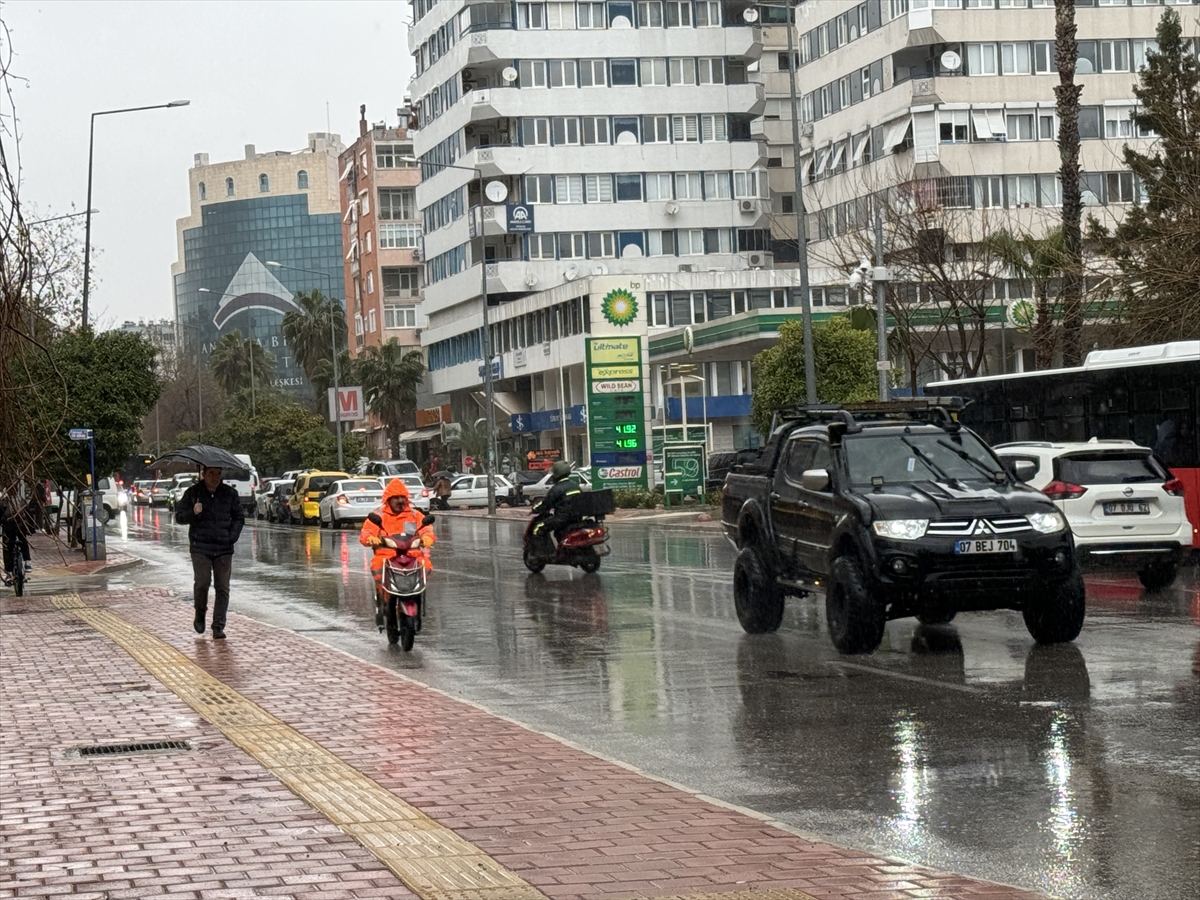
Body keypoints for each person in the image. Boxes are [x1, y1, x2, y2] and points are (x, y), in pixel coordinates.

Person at [175, 466, 245, 639]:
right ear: (203, 474)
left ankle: (218, 626)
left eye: (218, 474)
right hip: (201, 547)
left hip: (223, 548)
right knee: (202, 583)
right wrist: (193, 512)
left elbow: (239, 517)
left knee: (223, 588)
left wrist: (231, 536)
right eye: (211, 474)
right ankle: (200, 613)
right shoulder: (193, 493)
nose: (215, 477)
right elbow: (179, 516)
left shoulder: (229, 493)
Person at [360, 479, 435, 627]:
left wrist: (427, 537)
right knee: (377, 567)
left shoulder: (414, 514)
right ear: (388, 499)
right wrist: (371, 539)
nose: (400, 501)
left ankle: (417, 598)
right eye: (396, 497)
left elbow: (426, 528)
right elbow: (366, 532)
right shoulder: (379, 515)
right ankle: (383, 601)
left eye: (403, 497)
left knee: (426, 565)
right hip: (386, 556)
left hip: (411, 555)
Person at [530, 461, 583, 558]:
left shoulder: (556, 489)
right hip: (577, 518)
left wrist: (535, 509)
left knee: (538, 528)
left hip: (562, 519)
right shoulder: (575, 485)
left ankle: (543, 554)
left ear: (557, 474)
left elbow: (546, 503)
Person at [0, 491, 36, 586]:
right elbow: (29, 515)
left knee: (7, 547)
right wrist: (31, 529)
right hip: (21, 526)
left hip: (9, 527)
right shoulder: (21, 500)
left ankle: (9, 571)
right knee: (23, 540)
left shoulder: (4, 501)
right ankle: (27, 562)